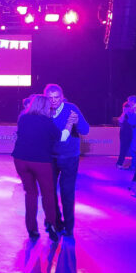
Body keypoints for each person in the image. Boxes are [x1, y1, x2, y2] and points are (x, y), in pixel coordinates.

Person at [12, 95, 60, 241]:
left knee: (30, 193)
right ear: (45, 106)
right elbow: (57, 136)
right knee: (48, 194)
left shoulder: (23, 119)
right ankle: (51, 224)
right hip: (41, 161)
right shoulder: (47, 121)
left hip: (21, 160)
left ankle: (32, 229)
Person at [44, 84, 90, 237]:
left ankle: (69, 227)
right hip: (49, 157)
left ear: (62, 97)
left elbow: (85, 130)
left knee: (67, 192)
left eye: (56, 97)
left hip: (69, 157)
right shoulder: (43, 110)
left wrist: (77, 122)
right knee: (49, 192)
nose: (54, 100)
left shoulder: (71, 108)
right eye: (50, 98)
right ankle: (57, 223)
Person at [116, 96, 136, 169]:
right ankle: (120, 163)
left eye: (129, 101)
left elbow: (134, 122)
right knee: (124, 148)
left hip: (133, 131)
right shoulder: (127, 110)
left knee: (135, 148)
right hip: (125, 131)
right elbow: (120, 121)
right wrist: (124, 113)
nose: (128, 103)